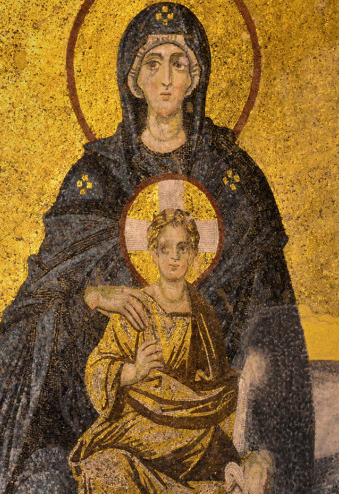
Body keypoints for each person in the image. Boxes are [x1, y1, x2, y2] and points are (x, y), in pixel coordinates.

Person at [0, 2, 314, 493]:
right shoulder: (97, 177)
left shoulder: (234, 177)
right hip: (116, 414)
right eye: (153, 63)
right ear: (133, 79)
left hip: (209, 418)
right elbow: (31, 317)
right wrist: (93, 298)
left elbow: (273, 326)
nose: (166, 80)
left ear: (196, 77)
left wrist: (262, 447)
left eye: (179, 63)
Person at [70, 209, 239, 491]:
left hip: (191, 421)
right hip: (138, 424)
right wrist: (134, 371)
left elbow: (215, 380)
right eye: (165, 248)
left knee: (216, 437)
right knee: (107, 468)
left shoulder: (203, 313)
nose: (174, 257)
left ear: (193, 255)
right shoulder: (135, 306)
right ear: (153, 254)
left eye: (182, 248)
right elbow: (98, 367)